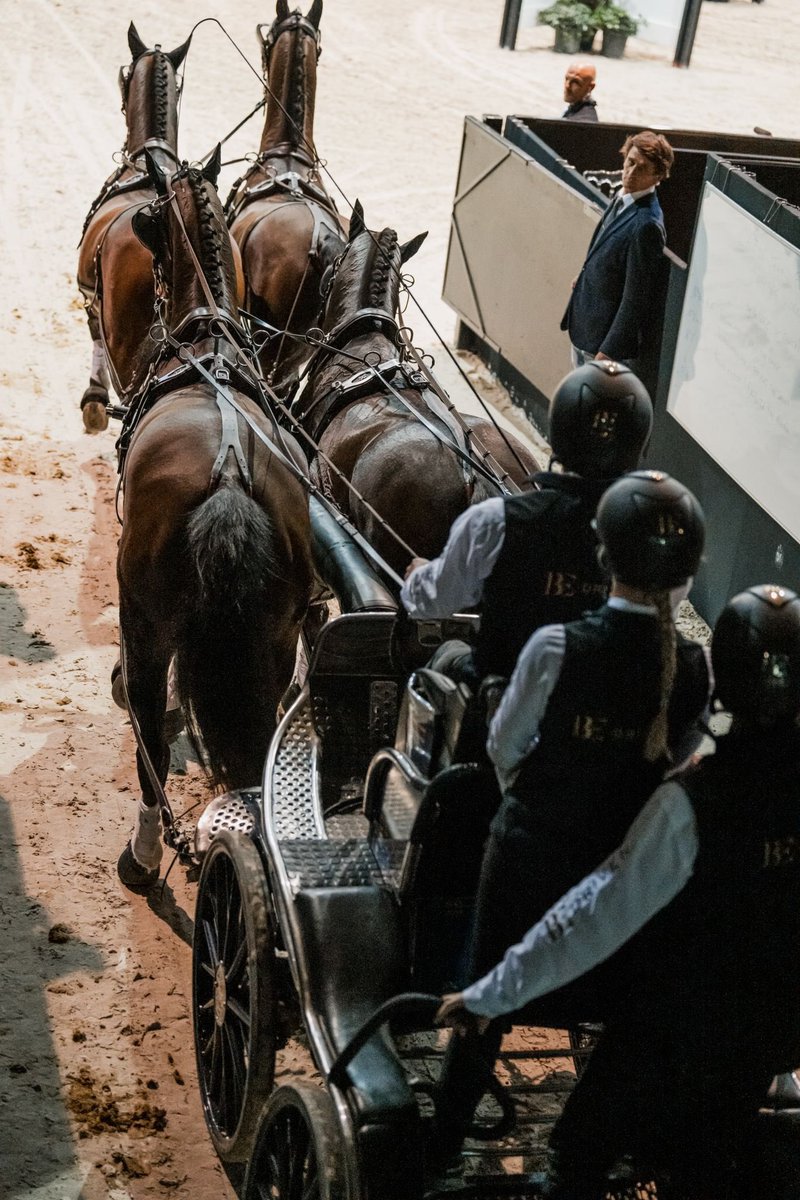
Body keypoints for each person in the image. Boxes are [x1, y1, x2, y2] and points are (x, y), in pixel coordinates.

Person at [437, 583, 800, 1199]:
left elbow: (591, 917)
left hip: (668, 1041)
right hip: (769, 1040)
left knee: (577, 1156)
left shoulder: (690, 805)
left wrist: (490, 993)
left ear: (723, 684)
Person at [431, 469, 711, 1164]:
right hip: (620, 864)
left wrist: (536, 797)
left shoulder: (555, 649)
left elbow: (503, 747)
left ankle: (441, 1140)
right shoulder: (697, 667)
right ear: (688, 570)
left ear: (601, 553)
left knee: (482, 1009)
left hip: (529, 854)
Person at [400, 360, 653, 687]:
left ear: (558, 434)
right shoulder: (655, 529)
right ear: (641, 443)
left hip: (506, 684)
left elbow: (432, 602)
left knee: (447, 652)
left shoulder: (495, 520)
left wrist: (419, 576)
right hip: (607, 690)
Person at [561, 130, 674, 369]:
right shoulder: (624, 196)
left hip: (600, 344)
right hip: (586, 326)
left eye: (641, 168)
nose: (630, 173)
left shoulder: (647, 225)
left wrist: (607, 353)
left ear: (657, 177)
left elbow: (636, 298)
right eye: (629, 162)